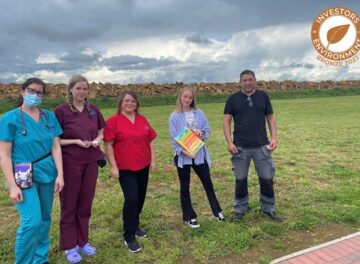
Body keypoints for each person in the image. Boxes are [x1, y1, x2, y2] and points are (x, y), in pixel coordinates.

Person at [0, 77, 64, 264]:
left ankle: (40, 259)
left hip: (47, 171)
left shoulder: (48, 117)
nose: (35, 95)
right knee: (32, 222)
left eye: (39, 92)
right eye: (31, 91)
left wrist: (60, 174)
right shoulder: (9, 119)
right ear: (22, 91)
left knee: (44, 219)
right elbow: (4, 155)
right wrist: (12, 186)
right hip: (22, 172)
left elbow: (56, 146)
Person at [54, 75, 105, 263]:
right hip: (70, 163)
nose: (82, 92)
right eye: (78, 89)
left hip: (91, 161)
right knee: (69, 204)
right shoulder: (61, 111)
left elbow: (101, 130)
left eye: (85, 89)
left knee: (85, 203)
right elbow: (55, 139)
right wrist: (75, 141)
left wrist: (98, 140)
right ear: (70, 90)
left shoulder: (93, 110)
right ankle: (69, 246)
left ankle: (83, 242)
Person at [223, 69, 284, 222]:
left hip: (261, 146)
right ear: (240, 82)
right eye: (245, 80)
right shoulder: (233, 99)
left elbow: (270, 118)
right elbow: (226, 121)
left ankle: (268, 209)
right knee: (240, 179)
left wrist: (274, 138)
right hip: (240, 147)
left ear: (255, 80)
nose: (248, 83)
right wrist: (230, 142)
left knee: (266, 178)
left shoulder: (263, 96)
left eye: (250, 79)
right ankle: (240, 209)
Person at [103, 90, 156, 253]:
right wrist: (113, 166)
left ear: (137, 104)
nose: (129, 104)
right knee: (131, 199)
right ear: (121, 103)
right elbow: (108, 145)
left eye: (133, 101)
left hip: (143, 165)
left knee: (140, 198)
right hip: (125, 168)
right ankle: (129, 236)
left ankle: (135, 225)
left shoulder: (142, 120)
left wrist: (153, 160)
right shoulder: (114, 121)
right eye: (126, 101)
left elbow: (150, 141)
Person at [169, 87, 225, 228]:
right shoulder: (174, 117)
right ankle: (189, 217)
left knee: (208, 183)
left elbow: (207, 131)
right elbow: (173, 138)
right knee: (185, 187)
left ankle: (217, 211)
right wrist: (182, 151)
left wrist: (202, 133)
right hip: (184, 157)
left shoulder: (199, 114)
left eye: (190, 97)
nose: (187, 99)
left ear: (193, 99)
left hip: (199, 155)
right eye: (185, 96)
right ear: (180, 97)